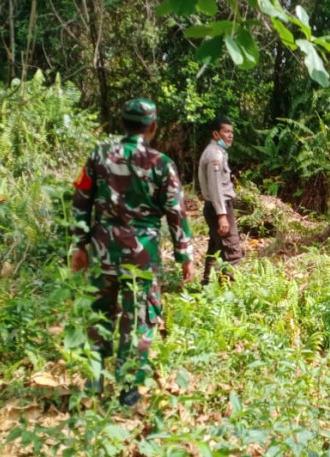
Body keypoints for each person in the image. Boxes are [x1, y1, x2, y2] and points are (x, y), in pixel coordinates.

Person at [70, 97, 194, 406]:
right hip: (143, 255)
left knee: (99, 315)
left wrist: (79, 245)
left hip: (102, 250)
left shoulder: (97, 156)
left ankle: (94, 384)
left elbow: (80, 200)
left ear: (122, 123)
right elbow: (176, 212)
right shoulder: (161, 164)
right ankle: (128, 390)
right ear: (152, 127)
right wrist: (185, 255)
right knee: (138, 319)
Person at [197, 116, 244, 284]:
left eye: (231, 132)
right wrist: (222, 215)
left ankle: (206, 285)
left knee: (216, 246)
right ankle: (227, 291)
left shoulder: (216, 152)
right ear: (216, 134)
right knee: (231, 250)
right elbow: (216, 187)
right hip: (219, 206)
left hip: (215, 206)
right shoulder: (215, 155)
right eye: (226, 131)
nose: (230, 135)